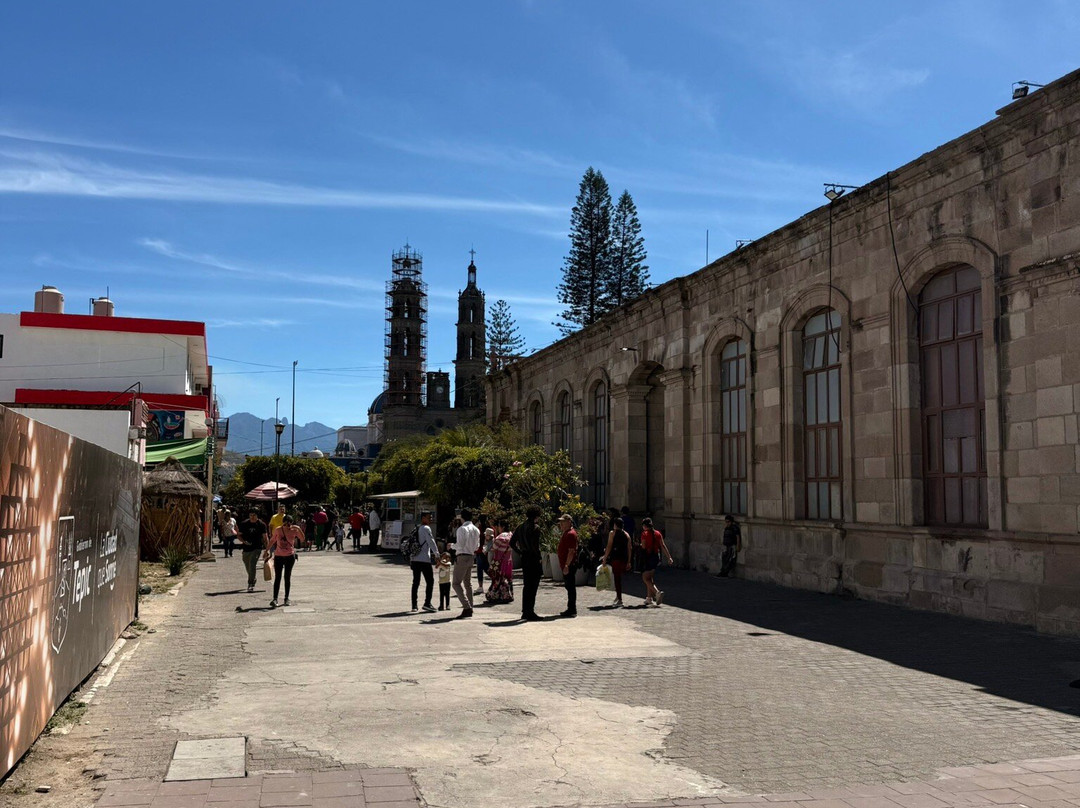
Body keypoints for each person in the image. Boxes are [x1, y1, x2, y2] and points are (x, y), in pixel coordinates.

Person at [510, 505, 544, 621]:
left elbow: (512, 543)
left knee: (527, 585)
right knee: (533, 586)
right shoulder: (535, 528)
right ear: (536, 516)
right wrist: (539, 557)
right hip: (533, 558)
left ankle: (525, 611)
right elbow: (535, 546)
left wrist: (520, 552)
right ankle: (530, 611)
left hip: (525, 557)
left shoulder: (520, 527)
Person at [266, 514, 304, 608]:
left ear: (292, 523)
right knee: (277, 577)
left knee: (287, 577)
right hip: (278, 556)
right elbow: (272, 540)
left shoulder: (294, 530)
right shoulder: (278, 530)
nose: (287, 526)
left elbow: (302, 539)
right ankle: (275, 599)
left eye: (289, 524)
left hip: (290, 556)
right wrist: (266, 550)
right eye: (285, 524)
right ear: (283, 523)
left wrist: (299, 529)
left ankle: (286, 598)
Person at [452, 509, 480, 618]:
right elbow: (477, 546)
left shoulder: (462, 529)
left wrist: (452, 546)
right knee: (467, 583)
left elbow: (460, 545)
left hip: (462, 556)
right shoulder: (476, 529)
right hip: (471, 556)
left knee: (456, 583)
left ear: (462, 517)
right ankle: (470, 607)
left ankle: (466, 606)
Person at [640, 517, 673, 606]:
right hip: (656, 557)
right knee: (650, 577)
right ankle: (649, 598)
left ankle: (656, 592)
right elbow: (663, 545)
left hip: (647, 557)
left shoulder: (644, 534)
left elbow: (643, 547)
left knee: (645, 578)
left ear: (644, 526)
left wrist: (639, 544)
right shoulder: (658, 533)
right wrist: (669, 557)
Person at [410, 511, 438, 613]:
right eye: (429, 517)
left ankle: (414, 605)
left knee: (416, 582)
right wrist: (437, 554)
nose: (431, 519)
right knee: (430, 581)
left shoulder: (416, 528)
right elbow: (431, 542)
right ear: (423, 518)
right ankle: (427, 603)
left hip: (414, 559)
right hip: (424, 559)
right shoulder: (426, 528)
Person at [601, 516, 633, 607]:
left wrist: (605, 558)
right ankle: (618, 596)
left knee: (617, 578)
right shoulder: (627, 534)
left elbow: (609, 546)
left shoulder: (612, 533)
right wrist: (629, 561)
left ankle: (619, 599)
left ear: (615, 525)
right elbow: (629, 548)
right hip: (624, 558)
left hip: (616, 558)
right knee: (618, 578)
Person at [237, 511, 268, 592]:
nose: (252, 517)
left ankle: (250, 584)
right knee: (247, 565)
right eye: (251, 515)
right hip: (246, 548)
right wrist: (244, 541)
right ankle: (253, 578)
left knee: (252, 564)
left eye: (254, 515)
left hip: (257, 548)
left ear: (257, 516)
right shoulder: (244, 524)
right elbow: (239, 535)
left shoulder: (261, 525)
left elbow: (265, 537)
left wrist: (267, 550)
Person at [485, 519, 514, 604]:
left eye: (499, 526)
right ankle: (507, 595)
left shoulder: (500, 537)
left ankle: (495, 595)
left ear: (502, 527)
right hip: (508, 561)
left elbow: (494, 548)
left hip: (499, 562)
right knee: (506, 578)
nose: (498, 528)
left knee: (497, 578)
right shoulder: (511, 535)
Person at [556, 514, 579, 617]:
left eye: (563, 522)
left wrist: (566, 565)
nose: (561, 524)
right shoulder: (566, 533)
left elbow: (571, 551)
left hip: (569, 565)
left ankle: (572, 609)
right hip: (566, 565)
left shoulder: (570, 534)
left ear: (569, 522)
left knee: (570, 587)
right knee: (569, 586)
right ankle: (571, 608)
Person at [475, 527, 493, 595]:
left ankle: (481, 587)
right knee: (484, 569)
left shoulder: (491, 541)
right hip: (482, 554)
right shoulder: (487, 539)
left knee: (483, 569)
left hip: (483, 555)